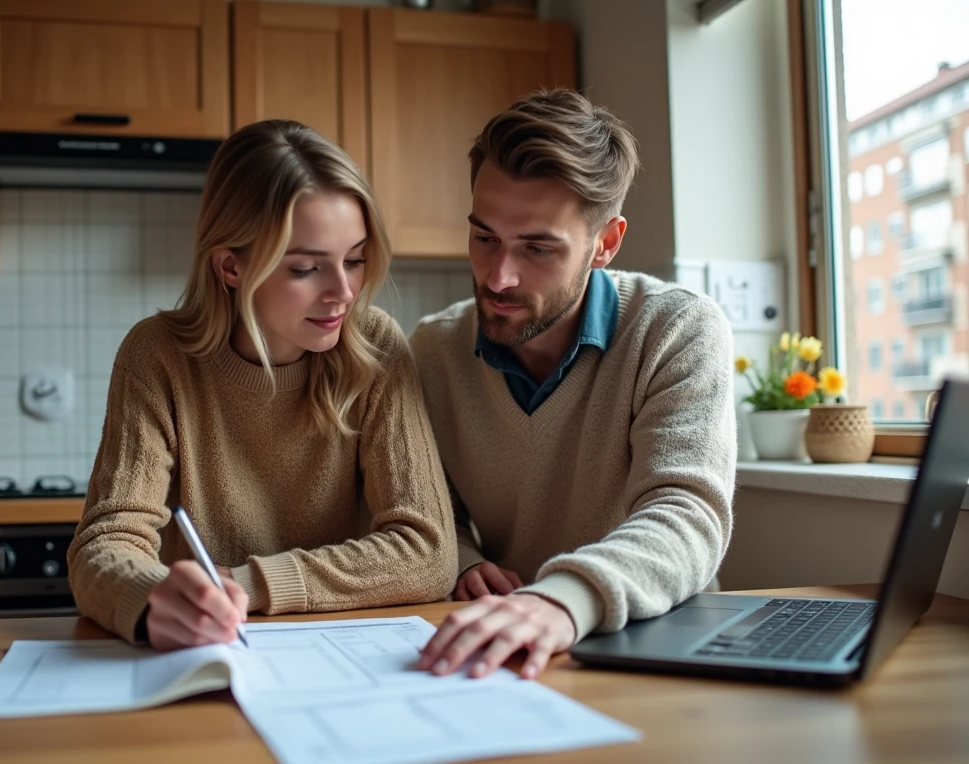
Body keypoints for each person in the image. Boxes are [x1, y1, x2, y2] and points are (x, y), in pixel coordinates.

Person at [69, 119, 457, 650]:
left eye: (354, 260)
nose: (343, 292)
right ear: (230, 266)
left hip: (343, 651)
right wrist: (151, 597)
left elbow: (429, 553)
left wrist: (246, 584)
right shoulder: (157, 354)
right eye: (306, 268)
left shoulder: (375, 345)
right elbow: (103, 545)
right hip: (205, 653)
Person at [410, 88, 737, 679]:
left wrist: (562, 600)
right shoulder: (433, 351)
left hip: (655, 643)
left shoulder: (677, 329)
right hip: (505, 644)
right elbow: (431, 511)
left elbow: (688, 514)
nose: (498, 277)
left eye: (537, 248)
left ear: (605, 243)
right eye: (484, 238)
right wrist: (463, 559)